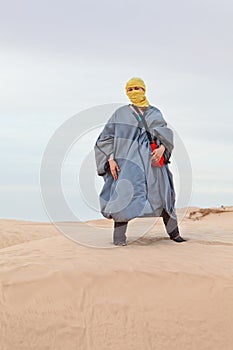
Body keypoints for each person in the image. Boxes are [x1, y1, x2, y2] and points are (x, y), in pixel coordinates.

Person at [94, 77, 186, 246]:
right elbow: (105, 139)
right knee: (124, 196)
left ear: (144, 90)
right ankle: (119, 239)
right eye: (130, 89)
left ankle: (174, 234)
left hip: (154, 163)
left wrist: (162, 149)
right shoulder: (120, 113)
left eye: (137, 88)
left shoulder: (155, 112)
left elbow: (166, 135)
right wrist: (110, 158)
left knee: (164, 196)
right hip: (128, 164)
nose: (134, 92)